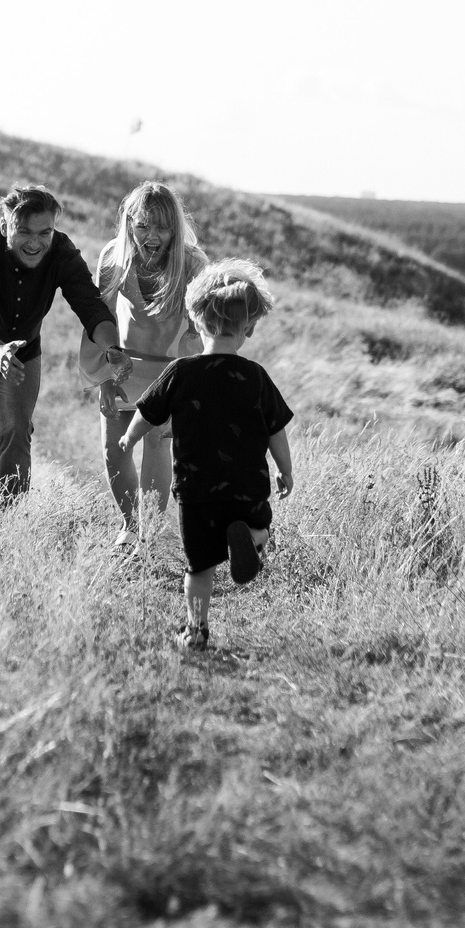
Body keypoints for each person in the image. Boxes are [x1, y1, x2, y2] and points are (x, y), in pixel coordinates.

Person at [117, 259, 295, 650]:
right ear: (248, 328)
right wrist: (286, 471)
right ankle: (251, 535)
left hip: (196, 489)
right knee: (261, 524)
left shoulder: (181, 372)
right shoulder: (256, 377)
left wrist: (129, 439)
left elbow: (147, 413)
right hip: (246, 487)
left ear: (196, 322)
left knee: (198, 566)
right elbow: (276, 429)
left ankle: (196, 630)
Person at [0, 183, 122, 517]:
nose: (35, 243)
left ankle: (5, 526)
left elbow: (91, 307)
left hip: (21, 352)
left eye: (44, 232)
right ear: (5, 228)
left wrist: (112, 348)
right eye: (24, 232)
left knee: (17, 432)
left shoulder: (61, 252)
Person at [81, 182, 207, 548]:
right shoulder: (113, 257)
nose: (152, 236)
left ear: (175, 228)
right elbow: (99, 318)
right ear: (129, 224)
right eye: (142, 226)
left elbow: (200, 332)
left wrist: (185, 387)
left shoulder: (194, 264)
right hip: (123, 366)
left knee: (157, 442)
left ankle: (149, 535)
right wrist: (103, 375)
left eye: (162, 227)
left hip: (171, 370)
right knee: (114, 448)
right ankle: (130, 524)